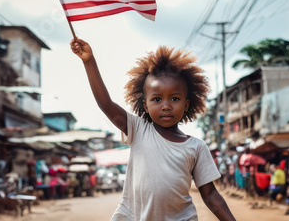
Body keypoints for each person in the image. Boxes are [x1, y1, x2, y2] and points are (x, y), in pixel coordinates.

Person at [71, 38, 236, 221]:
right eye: (157, 99)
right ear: (146, 106)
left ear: (187, 104)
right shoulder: (138, 129)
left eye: (174, 99)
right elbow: (106, 104)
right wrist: (89, 61)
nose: (166, 106)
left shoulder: (196, 147)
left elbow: (210, 194)